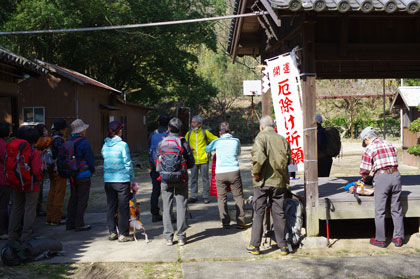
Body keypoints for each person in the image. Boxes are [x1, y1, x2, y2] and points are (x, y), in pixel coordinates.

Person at [246, 115, 291, 256]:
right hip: (279, 182)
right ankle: (283, 246)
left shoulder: (261, 137)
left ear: (261, 126)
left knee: (259, 212)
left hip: (263, 182)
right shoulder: (282, 139)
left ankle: (255, 245)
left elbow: (259, 157)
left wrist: (256, 172)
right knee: (279, 213)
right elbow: (288, 159)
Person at [359, 126, 404, 248]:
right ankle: (398, 238)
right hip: (396, 175)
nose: (365, 143)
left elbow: (364, 170)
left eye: (365, 141)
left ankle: (380, 239)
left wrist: (364, 178)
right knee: (397, 209)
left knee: (380, 211)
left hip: (382, 178)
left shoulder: (370, 148)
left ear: (367, 138)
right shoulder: (389, 143)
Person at [157, 118, 194, 246]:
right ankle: (181, 237)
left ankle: (168, 237)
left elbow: (157, 159)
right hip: (181, 178)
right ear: (180, 130)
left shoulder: (162, 142)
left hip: (165, 179)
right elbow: (191, 163)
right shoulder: (183, 142)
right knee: (181, 206)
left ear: (168, 128)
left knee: (166, 207)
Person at [204, 122, 246, 229]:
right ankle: (241, 221)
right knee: (238, 196)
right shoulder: (236, 141)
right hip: (234, 171)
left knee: (222, 198)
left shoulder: (217, 141)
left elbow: (207, 149)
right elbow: (238, 152)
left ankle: (225, 222)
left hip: (220, 172)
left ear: (219, 132)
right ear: (230, 131)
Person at [102, 121, 135, 242]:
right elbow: (127, 163)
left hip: (108, 180)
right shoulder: (123, 145)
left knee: (111, 206)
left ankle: (112, 233)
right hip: (122, 180)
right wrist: (131, 177)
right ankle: (123, 234)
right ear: (119, 131)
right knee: (123, 208)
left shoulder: (105, 145)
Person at [8, 127, 42, 242]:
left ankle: (12, 234)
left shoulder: (16, 149)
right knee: (30, 209)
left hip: (17, 182)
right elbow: (37, 170)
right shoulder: (34, 152)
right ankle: (26, 235)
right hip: (32, 184)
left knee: (16, 208)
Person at [65, 119, 95, 232]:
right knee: (82, 199)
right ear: (82, 130)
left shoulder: (69, 141)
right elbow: (90, 159)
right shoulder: (84, 142)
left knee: (73, 198)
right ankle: (79, 224)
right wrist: (92, 171)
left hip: (72, 175)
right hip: (84, 174)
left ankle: (70, 224)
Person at [185, 115, 218, 204]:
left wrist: (210, 148)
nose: (192, 124)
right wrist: (188, 147)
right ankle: (193, 196)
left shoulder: (205, 132)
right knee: (193, 179)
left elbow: (216, 139)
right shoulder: (189, 133)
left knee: (205, 179)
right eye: (192, 122)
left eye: (194, 122)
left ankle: (205, 196)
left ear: (199, 124)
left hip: (204, 159)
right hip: (193, 160)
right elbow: (184, 144)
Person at [46, 118, 68, 226]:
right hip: (59, 170)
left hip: (51, 169)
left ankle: (49, 217)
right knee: (59, 194)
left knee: (52, 193)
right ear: (62, 129)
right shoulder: (59, 140)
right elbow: (62, 156)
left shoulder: (51, 138)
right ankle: (56, 218)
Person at [149, 114, 169, 222]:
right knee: (168, 191)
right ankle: (168, 214)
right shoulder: (170, 135)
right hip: (168, 167)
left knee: (155, 191)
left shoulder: (153, 134)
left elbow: (149, 150)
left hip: (155, 165)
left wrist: (151, 165)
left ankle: (155, 214)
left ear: (158, 123)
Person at [34, 124, 52, 216]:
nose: (46, 132)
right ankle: (37, 209)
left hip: (41, 167)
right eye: (45, 130)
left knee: (39, 190)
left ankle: (38, 209)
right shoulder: (44, 141)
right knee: (39, 190)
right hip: (40, 168)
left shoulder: (35, 141)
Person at [0, 122, 12, 239]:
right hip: (3, 179)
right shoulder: (3, 145)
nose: (11, 132)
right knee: (3, 205)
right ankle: (3, 231)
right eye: (9, 130)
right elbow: (7, 161)